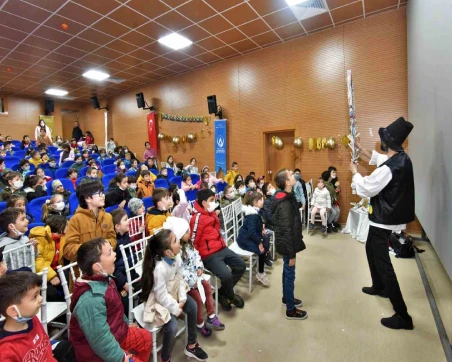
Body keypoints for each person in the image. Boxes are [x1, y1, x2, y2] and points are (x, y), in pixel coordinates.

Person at [350, 117, 415, 330]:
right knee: (371, 248)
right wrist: (360, 148)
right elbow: (379, 158)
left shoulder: (389, 169)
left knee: (384, 264)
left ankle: (403, 316)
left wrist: (355, 173)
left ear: (388, 143)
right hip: (389, 217)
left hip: (384, 219)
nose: (381, 141)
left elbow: (368, 187)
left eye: (383, 139)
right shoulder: (401, 159)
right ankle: (379, 286)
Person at [70, 238, 152, 362]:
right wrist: (121, 357)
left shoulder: (105, 279)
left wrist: (125, 324)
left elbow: (116, 309)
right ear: (97, 267)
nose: (115, 255)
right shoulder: (90, 299)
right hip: (95, 353)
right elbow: (100, 340)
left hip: (115, 333)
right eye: (109, 253)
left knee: (145, 337)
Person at [141, 230, 208, 361]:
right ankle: (165, 358)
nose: (179, 241)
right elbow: (161, 296)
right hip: (161, 300)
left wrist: (182, 298)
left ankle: (191, 345)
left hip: (175, 292)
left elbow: (181, 277)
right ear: (168, 252)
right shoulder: (159, 269)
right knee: (172, 327)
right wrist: (176, 308)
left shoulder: (176, 257)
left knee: (193, 306)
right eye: (175, 241)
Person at [164, 216, 225, 336]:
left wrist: (199, 268)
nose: (190, 232)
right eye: (186, 231)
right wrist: (194, 281)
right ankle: (200, 323)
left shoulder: (188, 244)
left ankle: (211, 315)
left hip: (195, 278)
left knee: (207, 287)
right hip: (186, 284)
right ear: (180, 235)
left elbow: (196, 256)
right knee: (197, 298)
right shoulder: (175, 252)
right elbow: (180, 272)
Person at [190, 189, 246, 312]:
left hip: (221, 247)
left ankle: (221, 294)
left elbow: (217, 233)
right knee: (226, 275)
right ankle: (230, 296)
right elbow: (193, 242)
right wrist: (197, 263)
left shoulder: (212, 213)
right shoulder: (197, 219)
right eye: (211, 200)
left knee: (241, 265)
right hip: (208, 255)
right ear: (204, 203)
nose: (214, 202)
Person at [0, 272, 63, 361]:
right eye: (35, 296)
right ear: (13, 311)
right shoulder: (6, 351)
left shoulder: (33, 319)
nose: (40, 298)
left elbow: (46, 348)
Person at [272, 168, 307, 320]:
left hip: (288, 243)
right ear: (287, 182)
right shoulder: (285, 203)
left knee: (287, 271)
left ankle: (287, 298)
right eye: (292, 175)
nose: (295, 176)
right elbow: (286, 231)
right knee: (289, 274)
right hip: (288, 245)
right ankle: (290, 310)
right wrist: (292, 253)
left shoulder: (286, 196)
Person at [63, 180, 116, 262]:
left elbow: (113, 239)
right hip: (83, 271)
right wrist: (92, 250)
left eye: (103, 192)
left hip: (104, 265)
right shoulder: (75, 220)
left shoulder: (107, 217)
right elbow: (68, 250)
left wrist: (105, 246)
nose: (103, 196)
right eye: (99, 193)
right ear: (87, 198)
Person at [30, 215, 67, 302]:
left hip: (56, 269)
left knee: (70, 280)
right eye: (67, 225)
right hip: (42, 274)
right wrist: (51, 276)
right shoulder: (41, 238)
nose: (69, 227)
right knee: (52, 294)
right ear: (60, 226)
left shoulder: (63, 237)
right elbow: (38, 260)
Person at [238, 191, 271, 287]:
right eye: (261, 199)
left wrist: (262, 229)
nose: (263, 200)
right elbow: (251, 232)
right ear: (255, 202)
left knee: (264, 244)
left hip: (249, 236)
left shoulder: (255, 211)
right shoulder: (252, 215)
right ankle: (260, 273)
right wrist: (259, 244)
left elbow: (256, 226)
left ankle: (262, 265)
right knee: (261, 250)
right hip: (245, 239)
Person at [111, 209, 141, 313]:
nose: (129, 221)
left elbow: (131, 256)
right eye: (125, 220)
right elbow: (113, 269)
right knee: (125, 301)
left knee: (147, 286)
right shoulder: (113, 243)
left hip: (131, 273)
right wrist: (124, 284)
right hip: (121, 281)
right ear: (117, 226)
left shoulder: (126, 236)